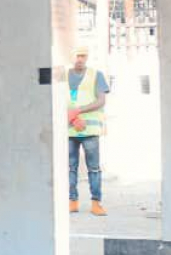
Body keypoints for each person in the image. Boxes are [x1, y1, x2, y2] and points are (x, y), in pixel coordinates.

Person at [68, 46, 109, 216]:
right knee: (70, 167)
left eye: (83, 56)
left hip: (89, 130)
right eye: (77, 55)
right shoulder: (63, 76)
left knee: (93, 168)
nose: (79, 59)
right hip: (69, 129)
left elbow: (101, 101)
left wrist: (78, 111)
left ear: (87, 57)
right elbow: (56, 99)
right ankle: (72, 201)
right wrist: (72, 118)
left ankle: (96, 202)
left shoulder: (96, 75)